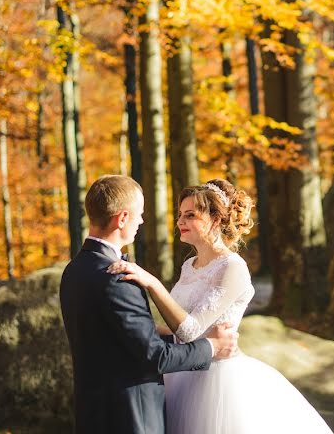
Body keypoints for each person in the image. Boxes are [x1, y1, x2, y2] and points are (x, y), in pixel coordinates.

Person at [107, 178, 334, 434]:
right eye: (180, 214)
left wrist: (152, 283)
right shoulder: (188, 266)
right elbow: (177, 329)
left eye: (190, 215)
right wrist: (135, 328)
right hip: (182, 371)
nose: (180, 221)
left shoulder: (232, 268)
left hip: (217, 380)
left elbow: (189, 330)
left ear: (216, 219)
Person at [59, 174, 238, 434]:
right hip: (129, 418)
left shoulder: (74, 270)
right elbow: (154, 357)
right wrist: (212, 346)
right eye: (139, 214)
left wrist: (160, 331)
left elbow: (114, 338)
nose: (142, 221)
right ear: (122, 218)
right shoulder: (116, 276)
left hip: (92, 414)